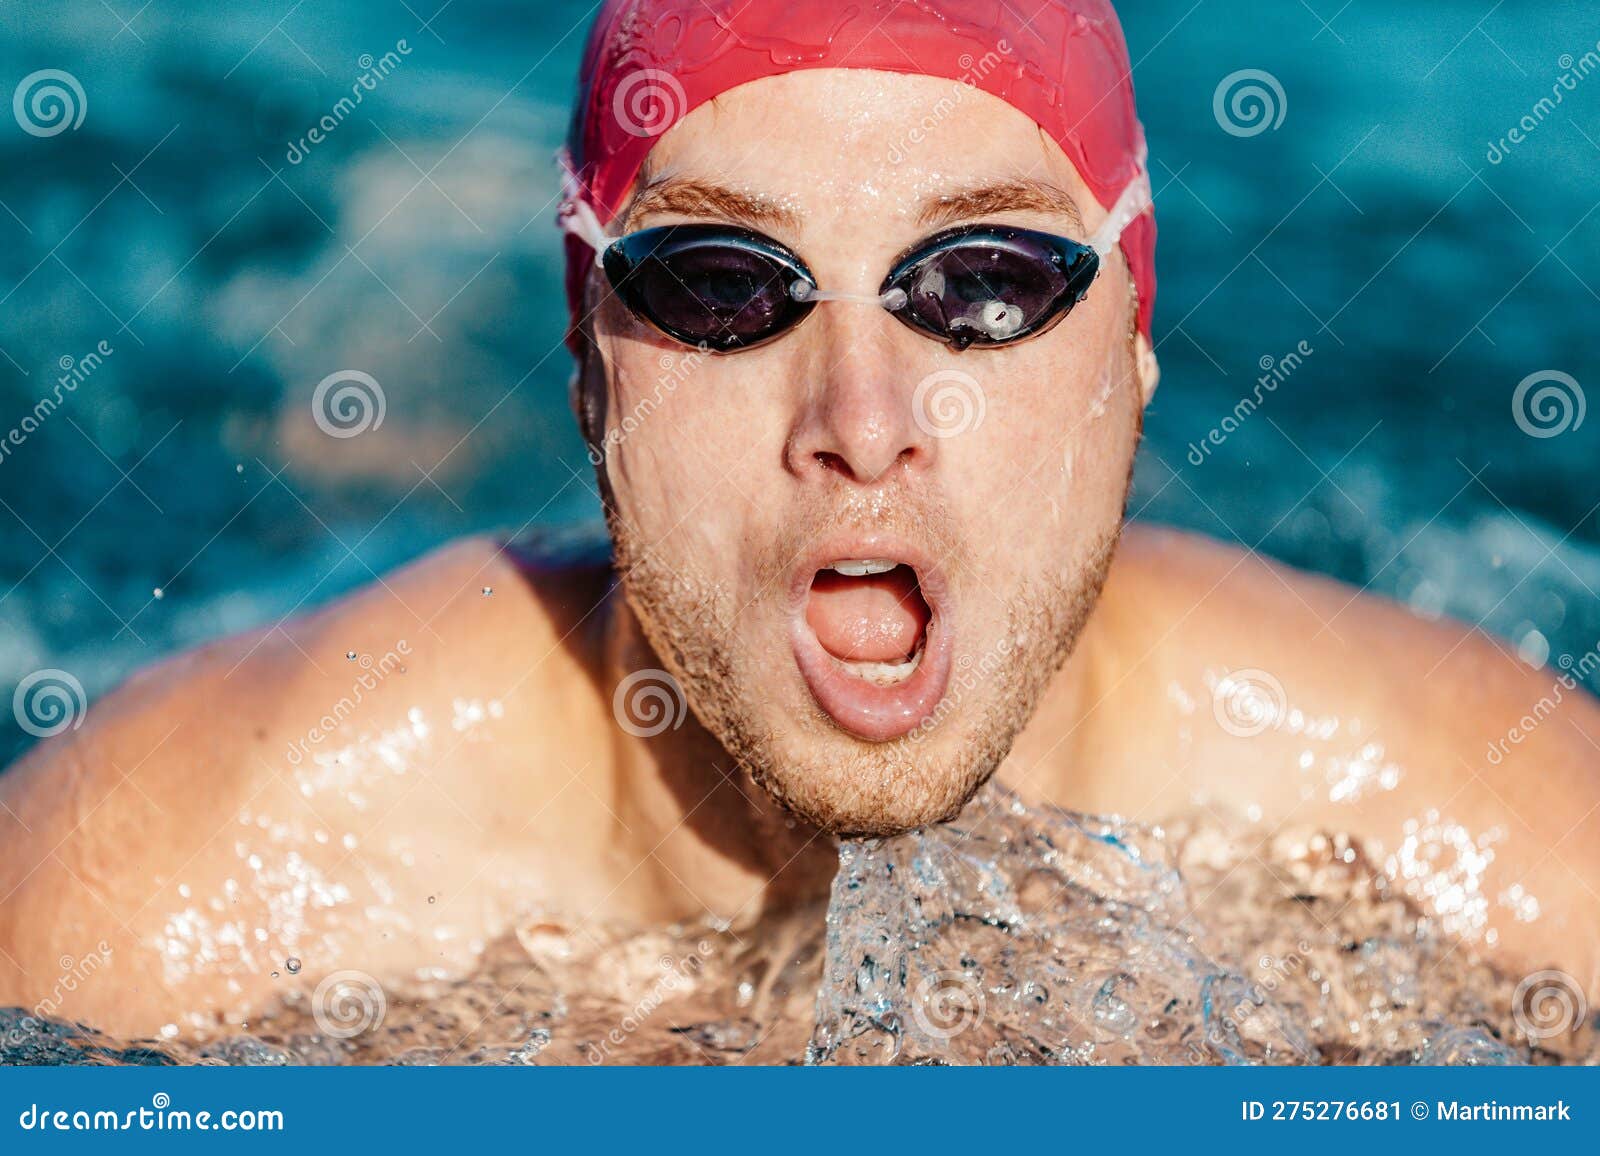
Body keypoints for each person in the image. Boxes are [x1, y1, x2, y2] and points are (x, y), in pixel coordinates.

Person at [1, 0, 1595, 1041]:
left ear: (1135, 344)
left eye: (981, 282)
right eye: (720, 289)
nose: (861, 423)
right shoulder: (163, 898)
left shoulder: (1496, 838)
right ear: (586, 362)